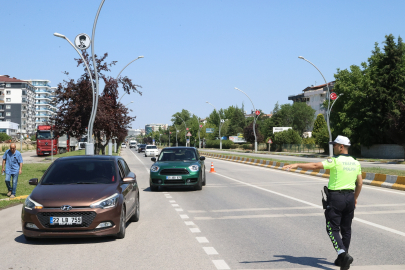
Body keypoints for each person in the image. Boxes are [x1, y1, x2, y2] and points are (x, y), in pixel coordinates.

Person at [282, 135, 362, 270]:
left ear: (341, 147)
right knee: (346, 229)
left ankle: (343, 254)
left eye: (335, 145)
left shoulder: (335, 160)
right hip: (349, 197)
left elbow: (315, 166)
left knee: (332, 228)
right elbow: (359, 183)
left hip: (336, 198)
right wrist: (355, 197)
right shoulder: (355, 162)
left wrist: (296, 164)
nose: (333, 147)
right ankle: (342, 258)